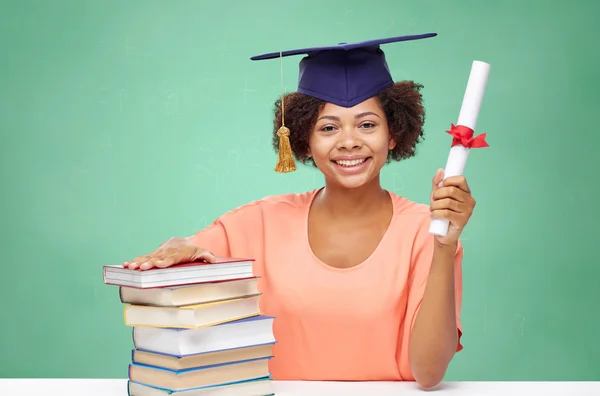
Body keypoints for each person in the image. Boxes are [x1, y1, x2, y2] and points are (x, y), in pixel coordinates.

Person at [123, 33, 478, 389]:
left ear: (394, 134)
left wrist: (444, 248)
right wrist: (180, 248)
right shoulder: (259, 223)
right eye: (328, 128)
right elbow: (194, 255)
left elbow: (429, 374)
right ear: (303, 141)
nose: (350, 140)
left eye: (367, 124)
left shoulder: (427, 232)